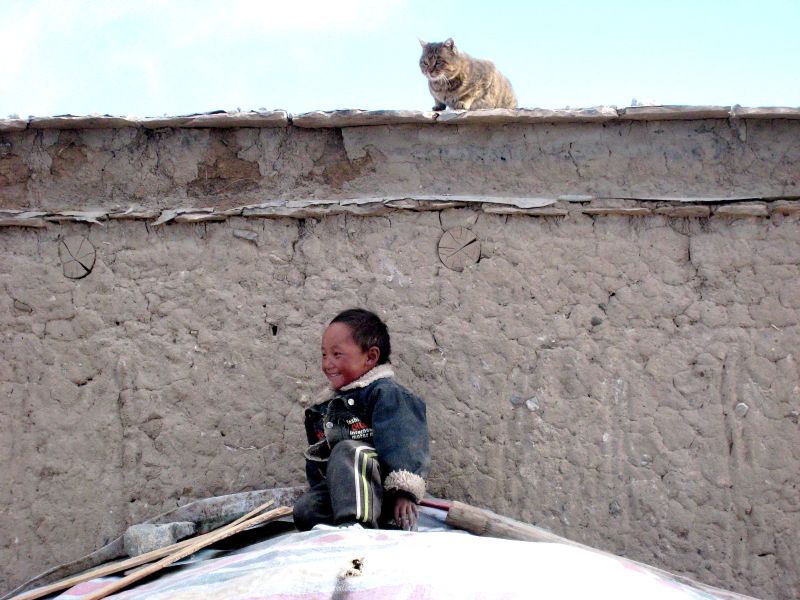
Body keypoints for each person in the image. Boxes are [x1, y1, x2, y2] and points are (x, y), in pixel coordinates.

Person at [293, 308, 430, 531]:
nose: (328, 363)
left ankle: (356, 527)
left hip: (384, 492)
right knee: (306, 510)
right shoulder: (325, 407)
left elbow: (405, 443)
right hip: (346, 494)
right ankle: (353, 523)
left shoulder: (386, 394)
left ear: (371, 357)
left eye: (337, 355)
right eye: (324, 354)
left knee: (349, 451)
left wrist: (404, 494)